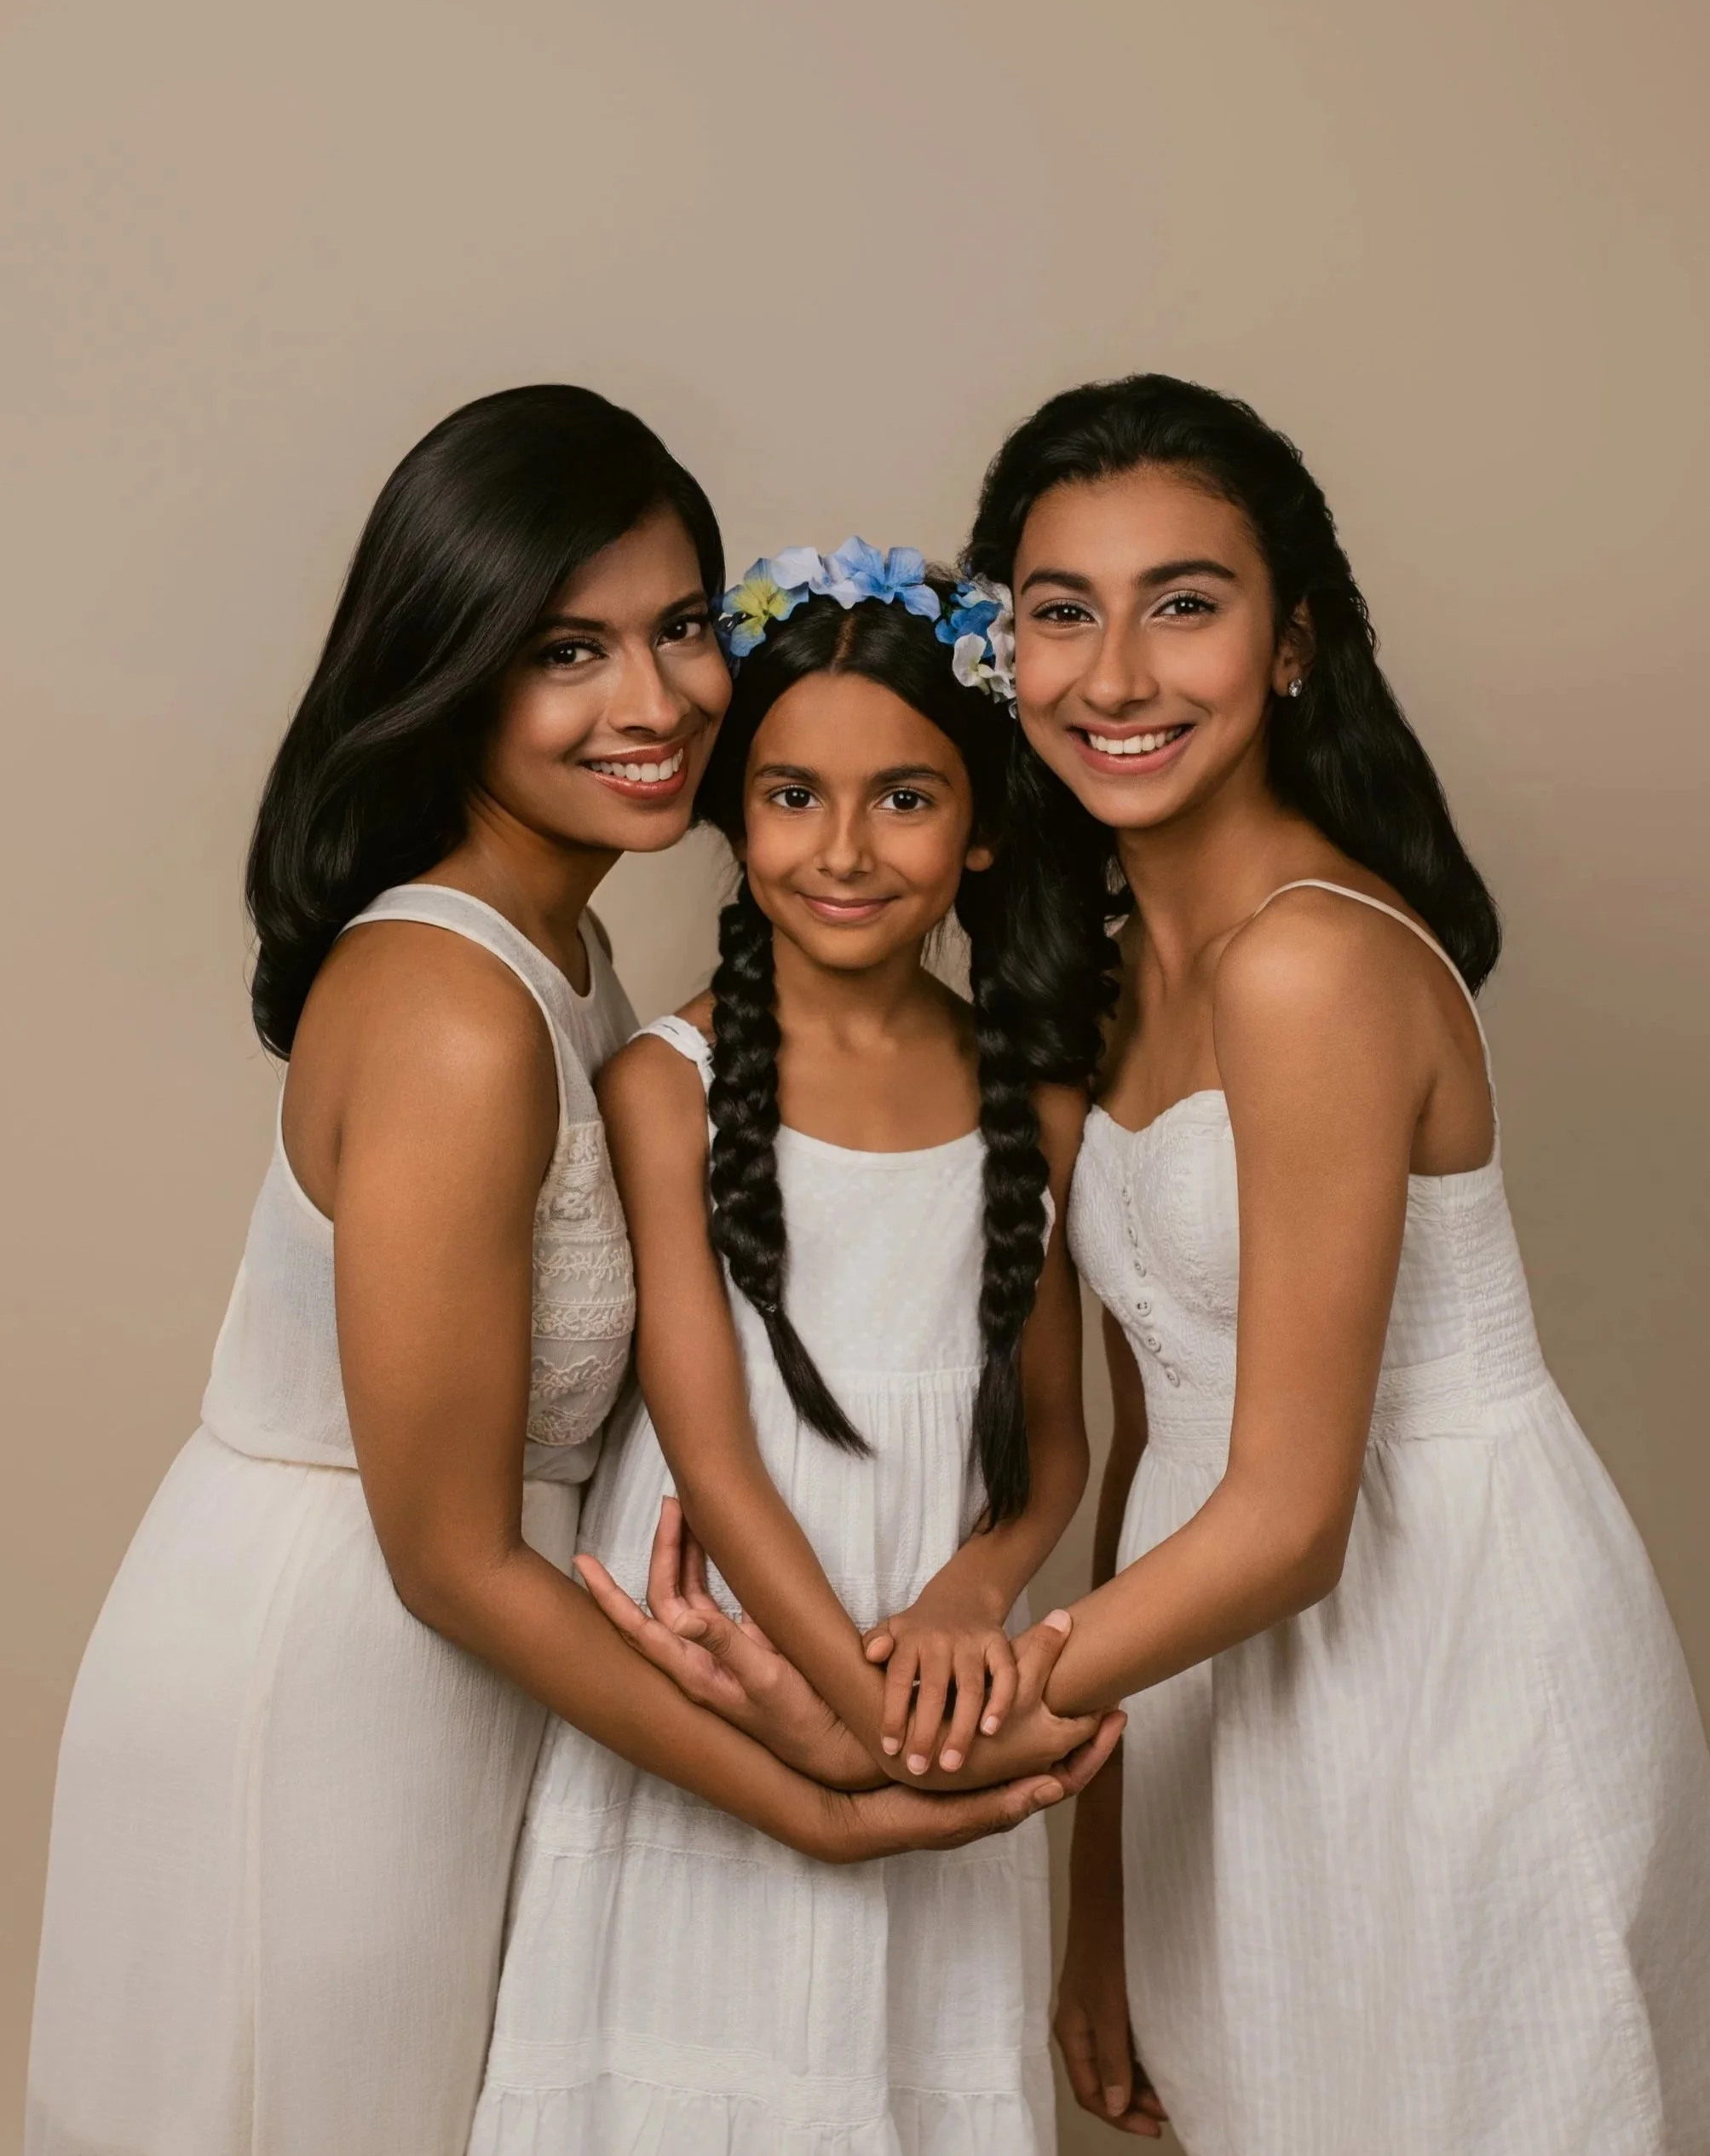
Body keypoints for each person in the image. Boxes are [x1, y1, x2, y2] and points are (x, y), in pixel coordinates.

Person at [26, 403, 1103, 2156]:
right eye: (565, 652)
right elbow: (447, 1551)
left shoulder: (568, 963)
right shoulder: (456, 1010)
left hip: (474, 1681)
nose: (658, 700)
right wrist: (816, 1791)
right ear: (450, 675)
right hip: (325, 1677)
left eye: (681, 627)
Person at [962, 375, 1710, 2152]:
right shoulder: (1104, 963)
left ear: (1294, 645)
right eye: (1059, 612)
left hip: (1445, 1675)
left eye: (1185, 605)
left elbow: (1290, 1515)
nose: (1116, 675)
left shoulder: (1310, 963)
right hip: (1224, 1706)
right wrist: (1100, 1891)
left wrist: (962, 1721)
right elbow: (1157, 1452)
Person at [471, 541, 1120, 2153]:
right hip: (738, 1667)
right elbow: (707, 1448)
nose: (844, 850)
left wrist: (968, 1602)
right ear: (732, 814)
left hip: (932, 1669)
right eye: (789, 796)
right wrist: (857, 1726)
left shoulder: (1032, 1101)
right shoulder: (661, 1087)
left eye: (905, 798)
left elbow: (1057, 1442)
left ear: (977, 830)